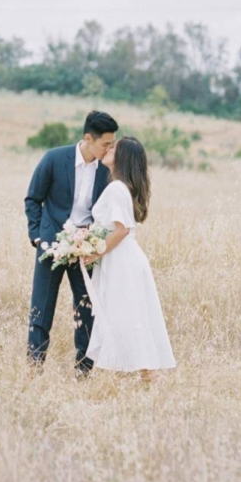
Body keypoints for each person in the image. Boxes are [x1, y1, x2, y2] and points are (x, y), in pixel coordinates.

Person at [24, 110, 119, 376]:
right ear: (88, 138)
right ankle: (34, 368)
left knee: (87, 309)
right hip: (52, 245)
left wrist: (96, 241)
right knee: (42, 308)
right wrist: (38, 237)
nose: (109, 149)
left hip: (88, 249)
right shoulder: (54, 159)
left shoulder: (108, 169)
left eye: (112, 144)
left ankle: (83, 371)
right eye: (105, 144)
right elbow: (33, 199)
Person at [82, 136, 176, 381]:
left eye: (113, 147)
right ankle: (143, 374)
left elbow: (121, 229)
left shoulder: (116, 188)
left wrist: (96, 252)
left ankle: (147, 375)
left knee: (126, 316)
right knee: (130, 315)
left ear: (122, 157)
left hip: (122, 260)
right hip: (126, 258)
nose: (108, 149)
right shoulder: (122, 187)